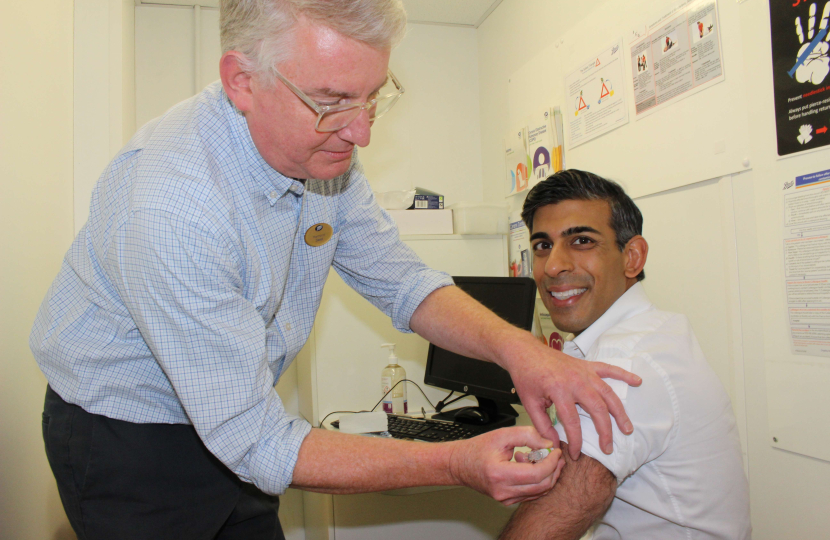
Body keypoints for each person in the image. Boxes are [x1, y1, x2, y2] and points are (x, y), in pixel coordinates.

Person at [31, 2, 641, 539]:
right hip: (129, 434)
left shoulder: (326, 151)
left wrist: (518, 350)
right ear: (242, 80)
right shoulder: (170, 205)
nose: (363, 132)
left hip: (237, 412)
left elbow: (400, 279)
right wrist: (454, 464)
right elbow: (257, 441)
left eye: (374, 95)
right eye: (332, 102)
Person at [499, 170, 751, 539]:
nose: (553, 266)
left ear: (632, 257)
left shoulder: (626, 361)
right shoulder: (643, 333)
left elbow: (544, 527)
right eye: (542, 246)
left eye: (581, 240)